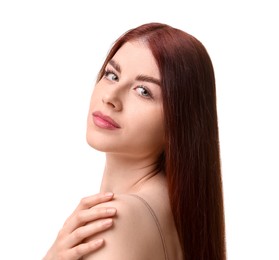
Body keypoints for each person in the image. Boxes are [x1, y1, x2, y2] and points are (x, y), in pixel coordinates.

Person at [43, 22, 226, 260]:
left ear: (179, 121)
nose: (110, 97)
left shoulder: (114, 221)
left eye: (143, 91)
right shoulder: (175, 209)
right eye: (112, 75)